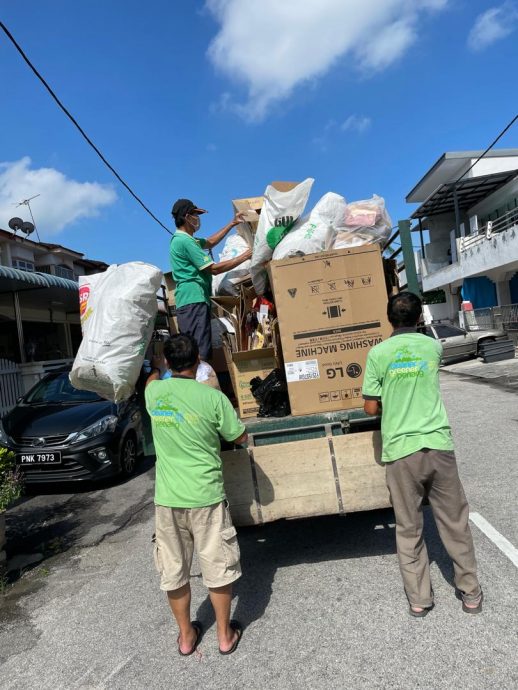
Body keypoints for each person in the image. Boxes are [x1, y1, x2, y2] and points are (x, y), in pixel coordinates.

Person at [362, 291, 482, 617]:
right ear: (418, 319)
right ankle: (470, 594)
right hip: (438, 446)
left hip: (401, 452)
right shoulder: (432, 347)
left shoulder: (378, 354)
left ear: (389, 318)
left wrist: (392, 396)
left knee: (409, 528)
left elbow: (370, 405)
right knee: (455, 523)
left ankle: (419, 600)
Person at [145, 333, 248, 655]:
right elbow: (239, 436)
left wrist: (152, 366)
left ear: (165, 362)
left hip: (168, 500)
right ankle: (223, 636)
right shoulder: (212, 398)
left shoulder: (154, 393)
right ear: (199, 358)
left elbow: (148, 380)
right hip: (206, 497)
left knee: (173, 569)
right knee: (217, 566)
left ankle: (186, 637)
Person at [170, 198, 252, 361]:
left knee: (195, 350)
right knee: (199, 351)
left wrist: (232, 224)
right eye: (196, 215)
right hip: (193, 300)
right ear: (187, 217)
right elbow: (214, 269)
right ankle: (201, 383)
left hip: (191, 300)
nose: (198, 219)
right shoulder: (184, 241)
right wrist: (245, 256)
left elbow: (210, 242)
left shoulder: (187, 240)